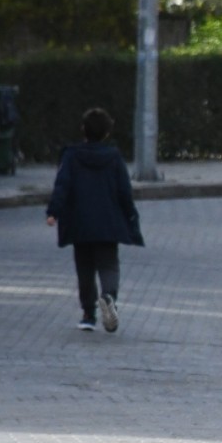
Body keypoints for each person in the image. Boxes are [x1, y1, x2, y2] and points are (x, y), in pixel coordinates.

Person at [46, 108, 144, 333]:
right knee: (109, 264)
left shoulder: (71, 155)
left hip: (80, 222)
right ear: (107, 133)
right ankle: (109, 296)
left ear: (83, 130)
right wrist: (131, 216)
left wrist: (53, 212)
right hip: (108, 222)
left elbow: (62, 185)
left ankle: (88, 314)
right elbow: (124, 191)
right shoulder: (114, 158)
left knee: (85, 268)